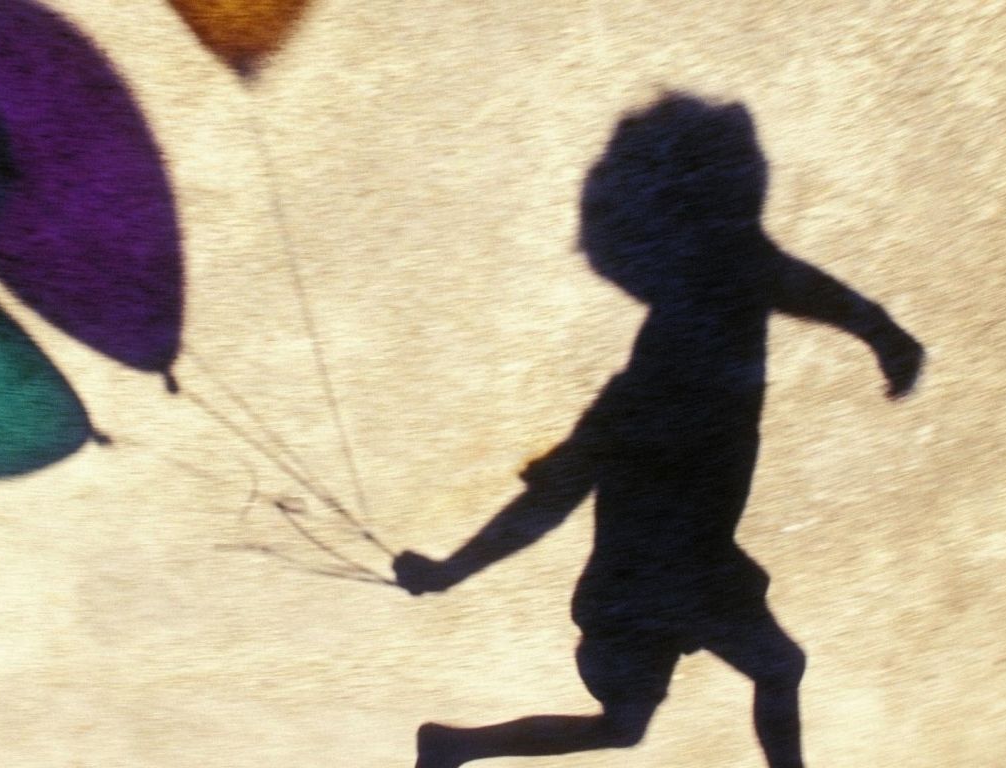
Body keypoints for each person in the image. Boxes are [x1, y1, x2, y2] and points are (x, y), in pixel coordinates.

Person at [393, 93, 924, 768]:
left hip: (664, 569)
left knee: (629, 724)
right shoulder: (682, 340)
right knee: (775, 668)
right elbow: (551, 498)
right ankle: (455, 746)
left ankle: (455, 745)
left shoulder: (716, 292)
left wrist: (882, 332)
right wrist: (882, 332)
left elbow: (789, 280)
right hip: (663, 573)